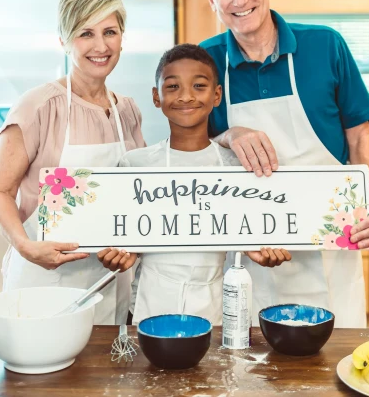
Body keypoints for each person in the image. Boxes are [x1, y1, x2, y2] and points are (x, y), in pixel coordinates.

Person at [199, 0, 369, 327]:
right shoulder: (203, 61)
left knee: (334, 369)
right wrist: (229, 135)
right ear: (212, 0)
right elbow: (190, 148)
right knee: (252, 375)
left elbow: (360, 135)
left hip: (330, 252)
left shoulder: (326, 46)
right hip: (250, 254)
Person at [0, 0, 146, 325]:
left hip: (109, 282)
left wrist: (132, 245)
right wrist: (25, 247)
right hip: (45, 279)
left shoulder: (127, 111)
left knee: (104, 375)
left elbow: (137, 194)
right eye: (85, 33)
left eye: (110, 32)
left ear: (122, 38)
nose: (100, 46)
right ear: (64, 40)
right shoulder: (39, 106)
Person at [100, 44, 291, 325]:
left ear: (216, 96)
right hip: (147, 303)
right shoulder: (134, 165)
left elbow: (246, 228)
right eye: (173, 86)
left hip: (214, 305)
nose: (186, 96)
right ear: (156, 96)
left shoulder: (238, 167)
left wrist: (261, 249)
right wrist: (119, 253)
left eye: (198, 86)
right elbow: (130, 238)